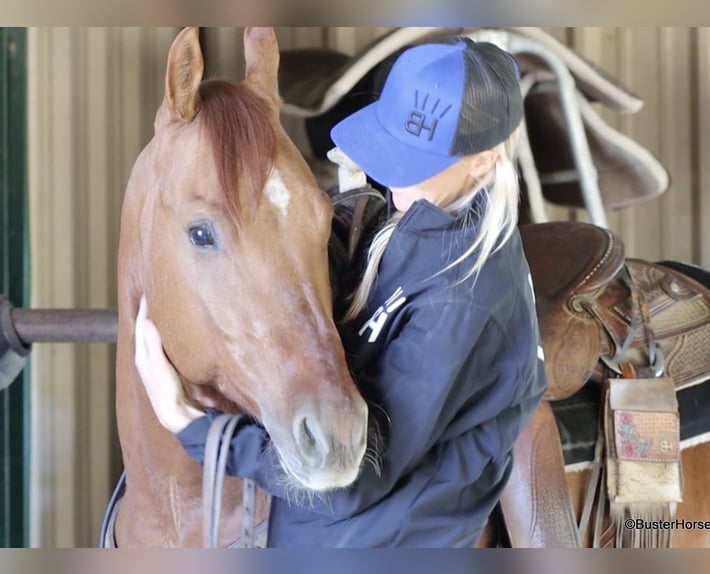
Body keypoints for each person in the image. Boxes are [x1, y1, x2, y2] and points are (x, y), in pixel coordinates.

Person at [135, 36, 548, 547]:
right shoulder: (421, 217)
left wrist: (196, 428)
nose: (390, 177)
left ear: (483, 162)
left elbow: (351, 483)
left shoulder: (463, 296)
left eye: (412, 162)